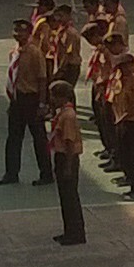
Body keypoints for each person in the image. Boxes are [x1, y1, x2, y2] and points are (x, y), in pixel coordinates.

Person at [0, 19, 51, 185]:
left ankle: (46, 174)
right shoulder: (14, 52)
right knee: (13, 138)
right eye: (16, 31)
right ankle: (11, 173)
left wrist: (42, 104)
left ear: (29, 33)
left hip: (31, 99)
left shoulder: (35, 53)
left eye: (22, 31)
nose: (18, 34)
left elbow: (42, 79)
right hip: (17, 99)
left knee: (39, 139)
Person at [47, 81, 87, 247]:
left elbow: (69, 142)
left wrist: (68, 166)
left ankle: (76, 232)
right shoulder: (62, 113)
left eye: (53, 96)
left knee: (70, 196)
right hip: (61, 156)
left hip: (66, 157)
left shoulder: (68, 116)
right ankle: (69, 230)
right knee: (65, 196)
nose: (51, 99)